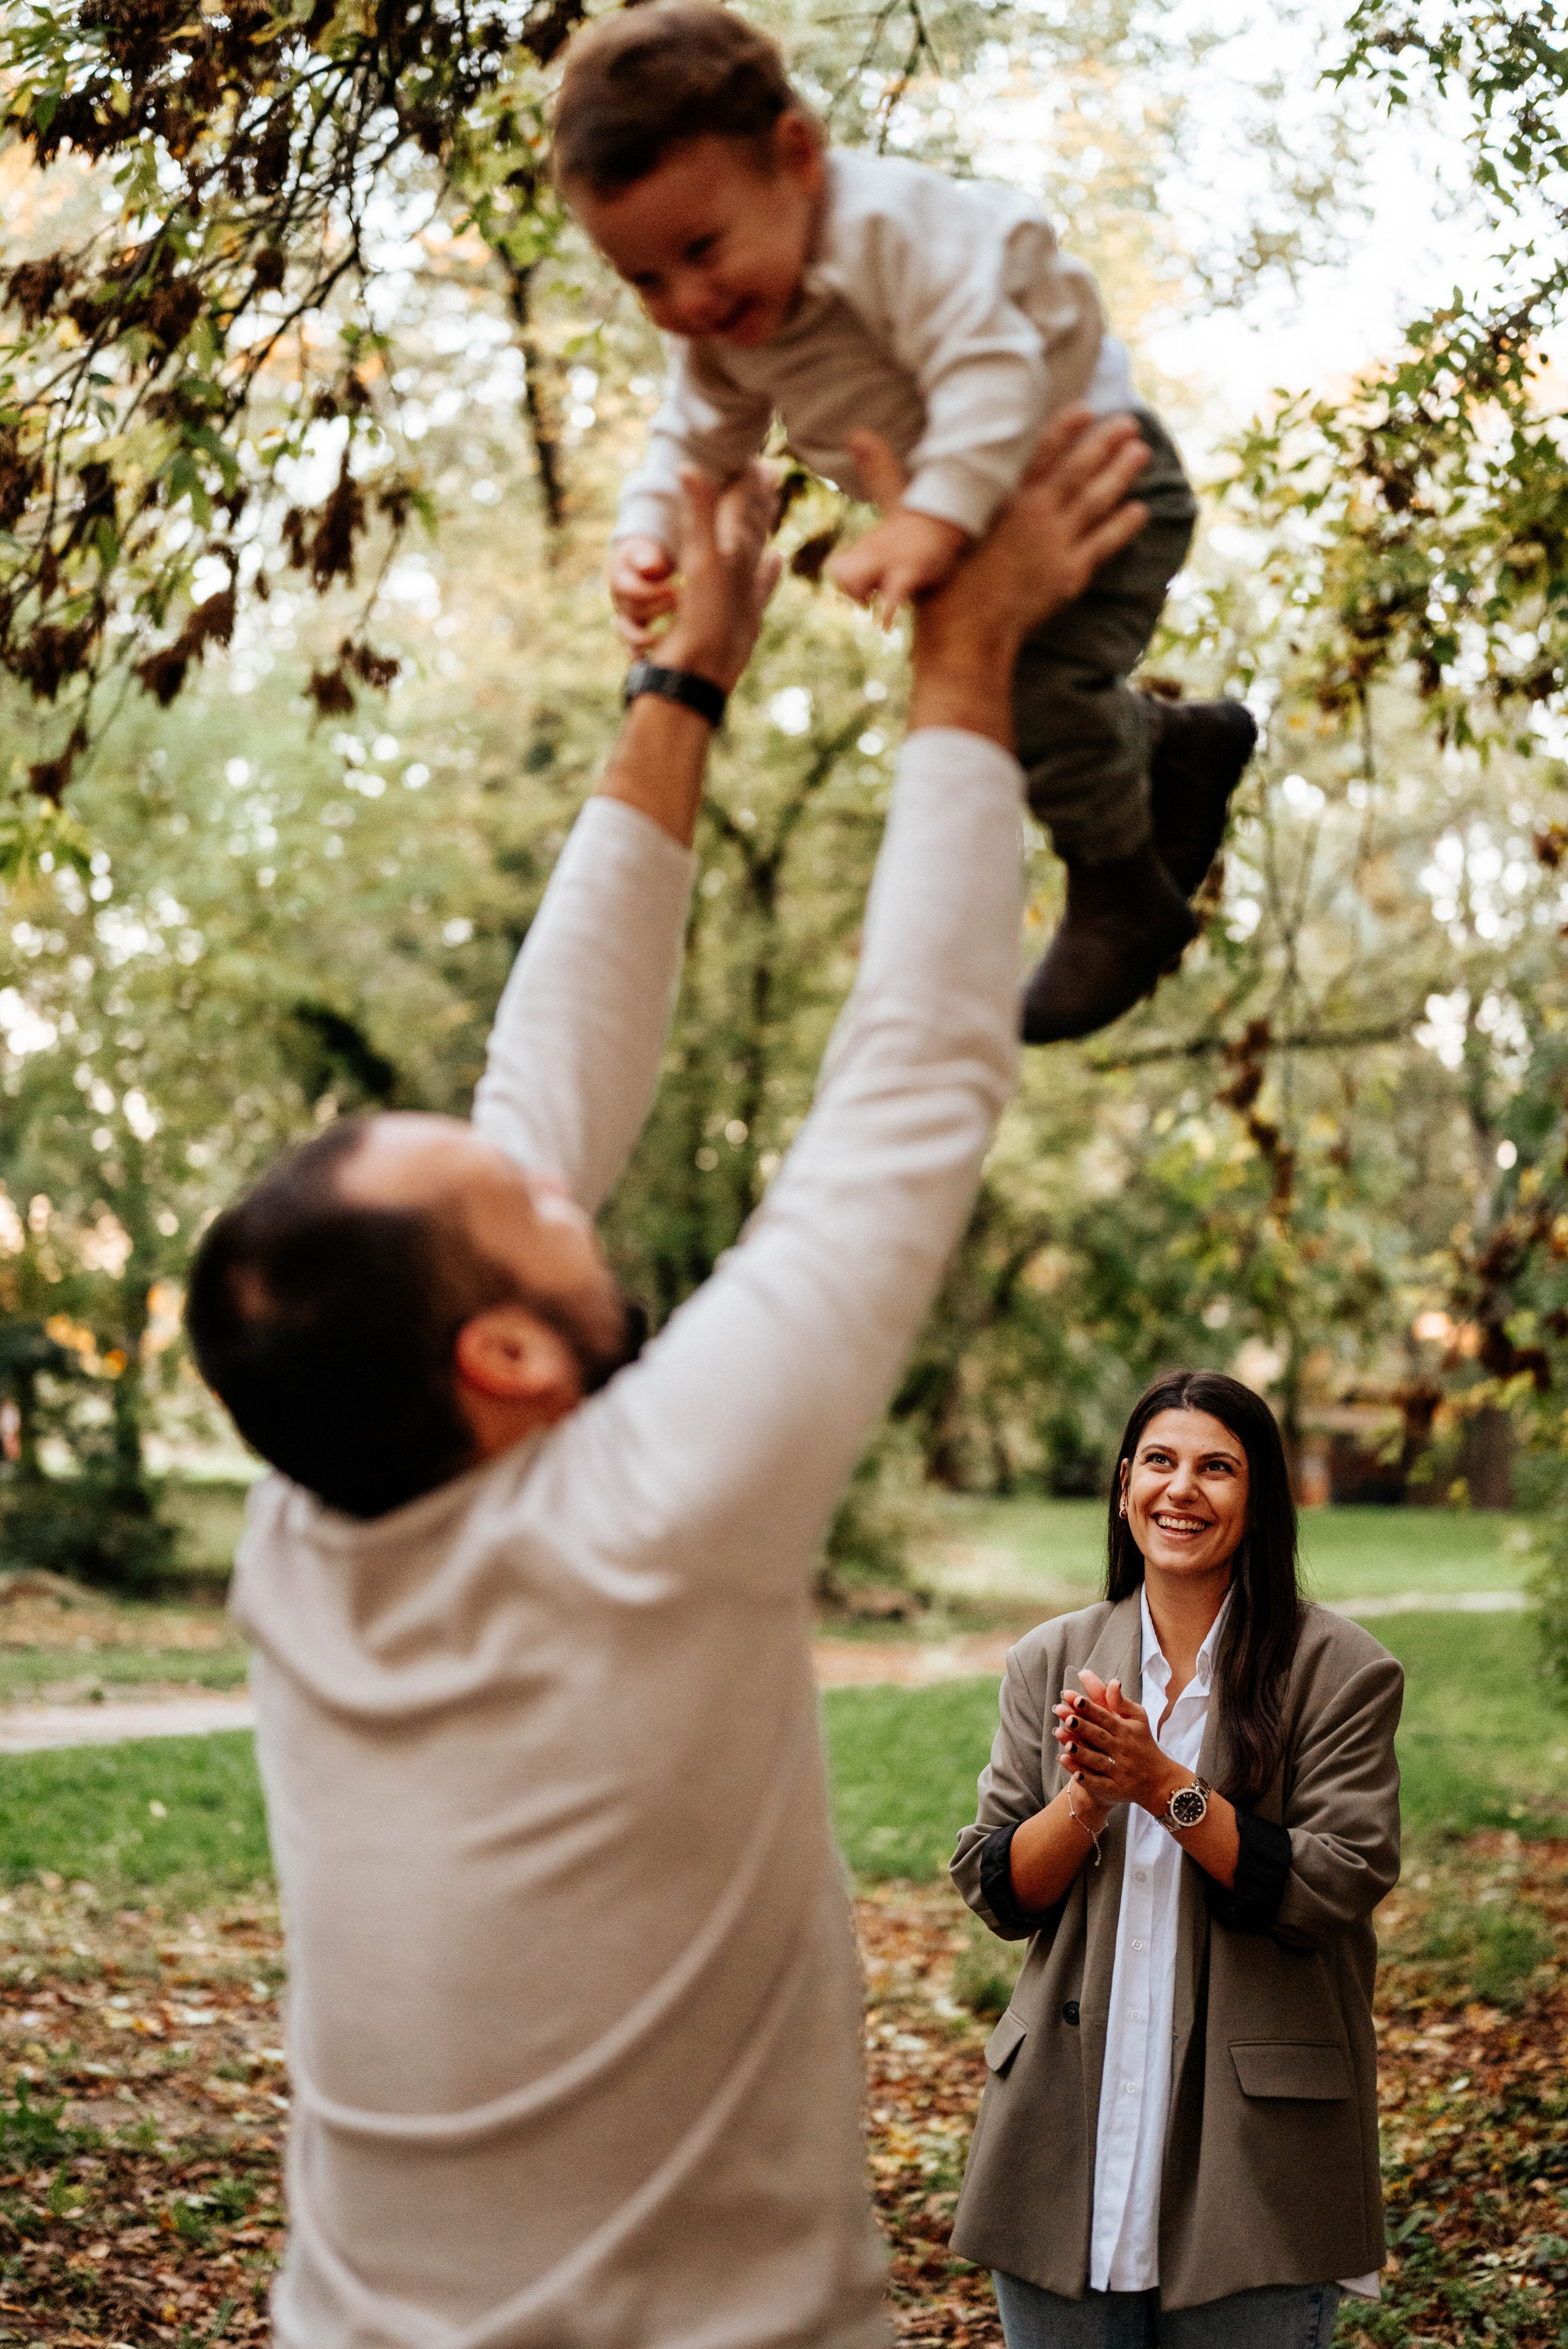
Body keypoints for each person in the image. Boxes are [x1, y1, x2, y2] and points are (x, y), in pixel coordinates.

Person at [181, 408, 1152, 2349]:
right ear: (507, 1357)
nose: (551, 1168)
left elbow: (545, 1074)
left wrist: (685, 678)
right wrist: (963, 657)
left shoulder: (312, 1526)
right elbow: (911, 1080)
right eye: (522, 1200)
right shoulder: (651, 1521)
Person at [549, 1, 1258, 1049]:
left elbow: (993, 368)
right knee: (1001, 705)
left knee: (1019, 689)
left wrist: (928, 517)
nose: (687, 300)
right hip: (990, 511)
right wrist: (646, 538)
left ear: (798, 157)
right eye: (644, 279)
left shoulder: (891, 230)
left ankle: (1122, 890)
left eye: (701, 248)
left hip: (1096, 477)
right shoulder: (722, 327)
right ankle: (1173, 748)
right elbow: (691, 442)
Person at [949, 1368, 1403, 2347]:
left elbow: (1338, 1880)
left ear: (1260, 1498)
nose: (1181, 1489)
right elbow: (998, 1889)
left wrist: (1167, 1788)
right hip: (1062, 2145)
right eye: (1159, 1461)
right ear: (1125, 1487)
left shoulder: (1342, 1671)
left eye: (1217, 1468)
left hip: (1260, 2159)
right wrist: (1088, 1801)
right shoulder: (1049, 1659)